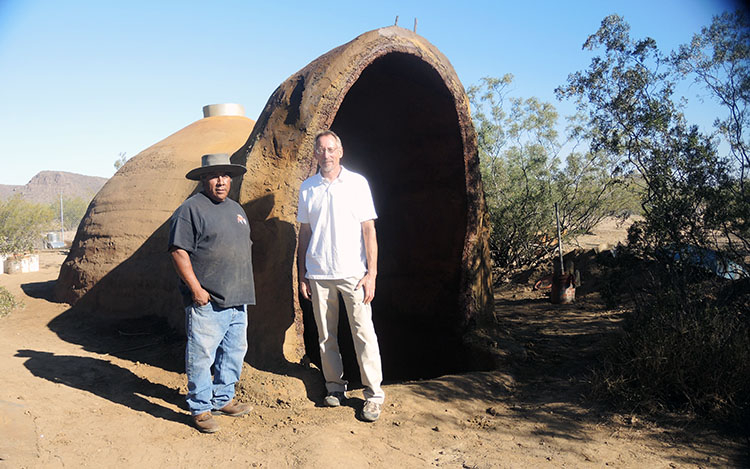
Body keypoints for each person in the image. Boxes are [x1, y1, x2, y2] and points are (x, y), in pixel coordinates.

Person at [296, 130, 385, 422]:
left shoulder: (357, 184)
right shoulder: (307, 188)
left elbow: (368, 230)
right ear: (315, 153)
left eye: (331, 149)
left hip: (353, 274)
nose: (326, 154)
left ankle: (373, 395)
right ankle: (335, 387)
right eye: (321, 150)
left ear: (340, 151)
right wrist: (302, 275)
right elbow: (304, 235)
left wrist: (371, 273)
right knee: (326, 336)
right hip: (319, 273)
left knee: (363, 333)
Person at [168, 153, 256, 433]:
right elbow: (179, 251)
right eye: (215, 176)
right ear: (204, 179)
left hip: (238, 298)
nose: (221, 181)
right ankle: (200, 407)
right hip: (207, 300)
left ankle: (222, 398)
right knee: (202, 354)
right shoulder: (190, 209)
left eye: (226, 176)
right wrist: (196, 289)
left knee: (233, 352)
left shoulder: (237, 210)